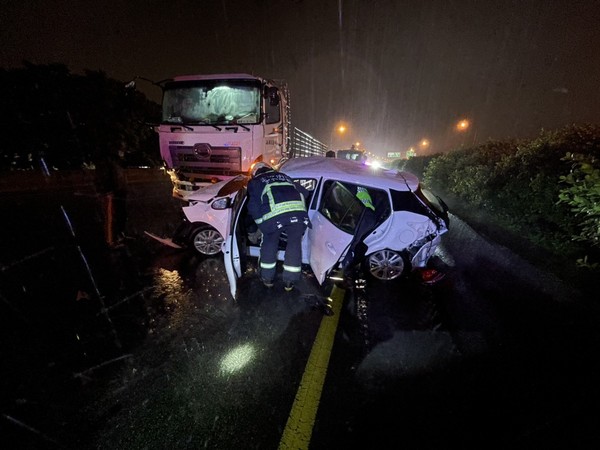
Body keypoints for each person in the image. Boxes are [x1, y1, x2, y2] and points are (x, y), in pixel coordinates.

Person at [247, 162, 311, 292]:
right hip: (298, 215)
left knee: (270, 243)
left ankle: (267, 278)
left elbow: (252, 206)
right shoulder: (284, 176)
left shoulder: (256, 182)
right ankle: (289, 282)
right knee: (294, 244)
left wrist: (260, 224)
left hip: (274, 217)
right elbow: (305, 192)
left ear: (255, 173)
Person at [339, 185, 378, 287]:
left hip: (364, 217)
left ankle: (347, 270)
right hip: (368, 214)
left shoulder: (348, 185)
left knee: (350, 243)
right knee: (354, 242)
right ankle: (348, 269)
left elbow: (343, 203)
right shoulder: (357, 184)